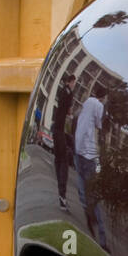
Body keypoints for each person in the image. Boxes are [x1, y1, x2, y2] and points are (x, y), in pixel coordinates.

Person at [73, 84, 109, 249]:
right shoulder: (99, 105)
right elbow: (100, 125)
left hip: (78, 149)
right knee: (93, 191)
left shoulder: (87, 101)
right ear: (104, 97)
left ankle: (86, 209)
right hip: (88, 152)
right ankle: (102, 240)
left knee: (81, 184)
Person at [51, 75, 77, 209]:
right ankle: (62, 195)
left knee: (58, 159)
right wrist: (71, 115)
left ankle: (60, 191)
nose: (74, 85)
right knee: (64, 161)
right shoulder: (69, 92)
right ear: (70, 82)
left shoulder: (62, 91)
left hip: (56, 128)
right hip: (61, 130)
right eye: (74, 82)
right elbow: (69, 111)